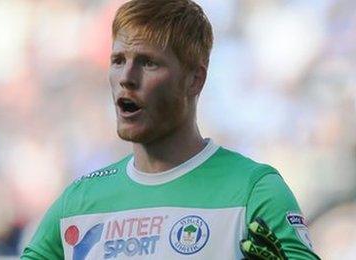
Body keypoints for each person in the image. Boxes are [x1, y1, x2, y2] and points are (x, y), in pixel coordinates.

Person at [20, 0, 320, 259]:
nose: (126, 77)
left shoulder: (254, 190)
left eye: (148, 63)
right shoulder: (80, 201)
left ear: (194, 80)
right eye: (118, 60)